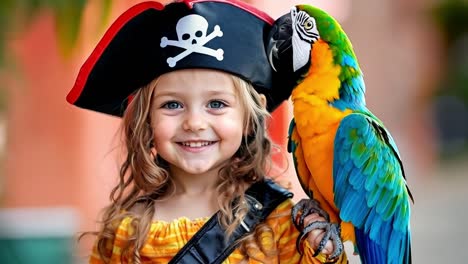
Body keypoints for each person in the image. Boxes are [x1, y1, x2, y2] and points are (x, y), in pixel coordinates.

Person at [68, 0, 347, 263]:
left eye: (216, 103)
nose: (194, 123)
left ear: (251, 116)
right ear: (146, 119)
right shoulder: (123, 232)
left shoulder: (280, 223)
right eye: (172, 104)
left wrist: (324, 246)